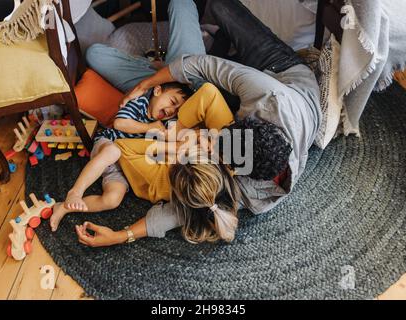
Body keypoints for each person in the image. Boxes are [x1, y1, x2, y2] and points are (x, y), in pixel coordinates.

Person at [76, 0, 321, 247]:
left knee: (95, 54)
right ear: (244, 120)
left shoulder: (247, 192)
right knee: (220, 7)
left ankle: (176, 60)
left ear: (237, 170)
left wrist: (122, 235)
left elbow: (185, 207)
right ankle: (191, 53)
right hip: (284, 75)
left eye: (214, 147)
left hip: (186, 96)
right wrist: (145, 87)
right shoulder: (269, 98)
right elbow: (205, 68)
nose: (209, 141)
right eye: (218, 136)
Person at [49, 81, 193, 232]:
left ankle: (64, 207)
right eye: (172, 102)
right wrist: (149, 128)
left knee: (112, 200)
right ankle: (75, 192)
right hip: (108, 145)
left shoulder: (166, 123)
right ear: (157, 91)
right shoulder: (140, 102)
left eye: (177, 110)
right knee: (113, 151)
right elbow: (119, 123)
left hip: (124, 166)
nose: (171, 110)